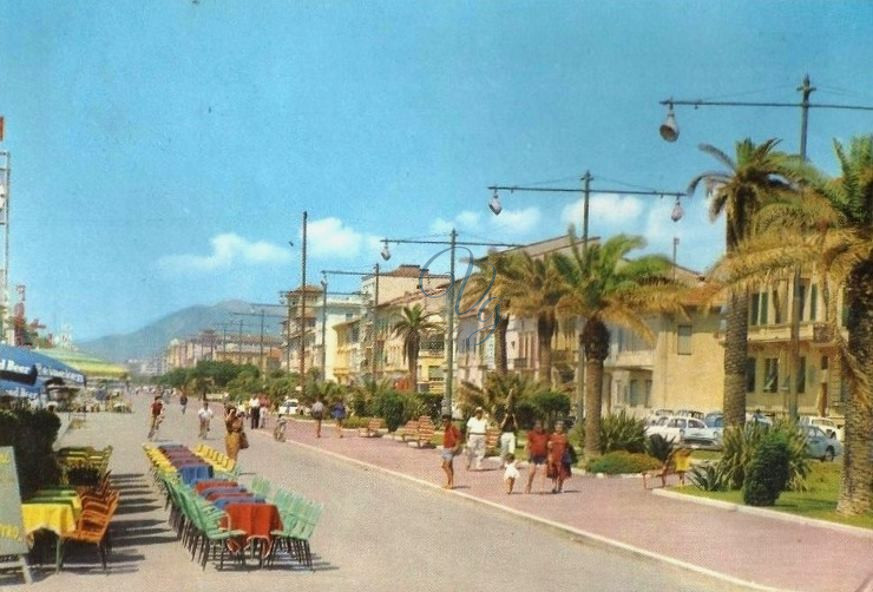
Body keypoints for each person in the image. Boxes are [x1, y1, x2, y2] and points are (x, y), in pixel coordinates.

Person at [547, 421, 572, 494]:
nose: (559, 429)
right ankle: (554, 487)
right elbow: (548, 447)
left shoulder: (565, 437)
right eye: (557, 427)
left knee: (562, 473)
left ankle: (560, 487)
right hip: (554, 456)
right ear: (555, 428)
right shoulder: (552, 436)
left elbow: (567, 447)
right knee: (554, 473)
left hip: (563, 457)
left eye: (560, 427)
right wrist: (549, 456)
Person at [525, 419, 549, 494]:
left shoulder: (546, 434)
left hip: (543, 456)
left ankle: (542, 488)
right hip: (534, 455)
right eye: (537, 426)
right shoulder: (531, 434)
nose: (539, 428)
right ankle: (529, 484)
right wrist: (528, 454)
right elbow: (528, 445)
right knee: (532, 472)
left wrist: (550, 455)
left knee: (543, 472)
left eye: (540, 426)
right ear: (534, 426)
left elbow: (549, 445)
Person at [440, 414, 462, 489]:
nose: (444, 423)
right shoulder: (446, 428)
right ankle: (449, 483)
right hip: (446, 449)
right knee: (449, 467)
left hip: (450, 450)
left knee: (445, 466)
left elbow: (459, 436)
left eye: (446, 421)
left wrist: (457, 446)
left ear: (449, 421)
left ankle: (451, 483)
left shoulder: (453, 427)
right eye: (443, 421)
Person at [465, 407, 488, 471]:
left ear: (482, 413)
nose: (479, 414)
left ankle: (479, 465)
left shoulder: (485, 420)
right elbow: (468, 430)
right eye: (478, 412)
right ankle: (468, 463)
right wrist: (467, 438)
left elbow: (486, 430)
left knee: (481, 451)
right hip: (473, 435)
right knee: (470, 450)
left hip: (482, 436)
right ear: (475, 413)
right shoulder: (471, 419)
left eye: (480, 412)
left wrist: (486, 437)